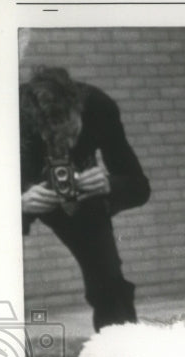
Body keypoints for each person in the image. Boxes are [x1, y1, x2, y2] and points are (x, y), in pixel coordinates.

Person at [20, 66, 150, 331]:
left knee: (108, 281)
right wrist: (16, 201)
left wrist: (108, 184)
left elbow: (138, 186)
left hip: (81, 197)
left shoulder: (99, 107)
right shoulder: (5, 113)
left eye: (71, 135)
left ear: (80, 112)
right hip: (18, 190)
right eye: (53, 139)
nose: (64, 147)